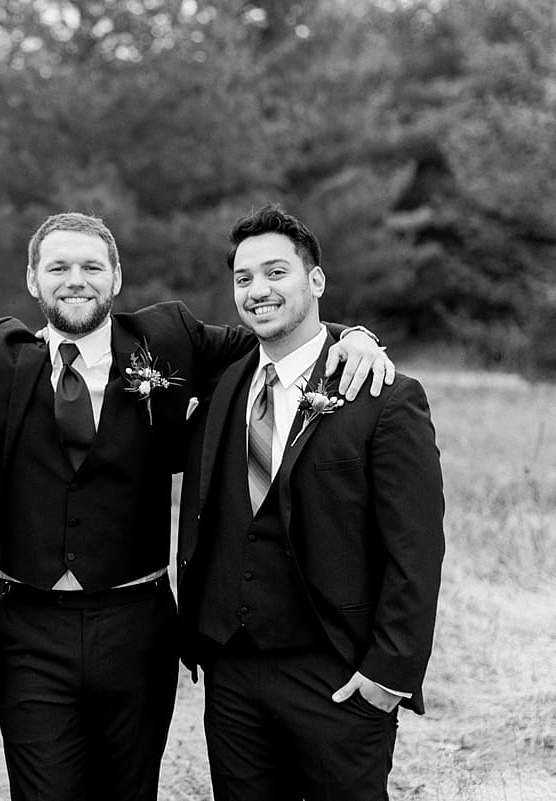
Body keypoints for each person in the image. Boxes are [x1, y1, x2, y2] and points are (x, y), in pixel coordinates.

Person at [0, 212, 391, 801]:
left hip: (137, 623)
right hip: (29, 630)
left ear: (116, 276)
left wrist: (351, 334)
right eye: (58, 267)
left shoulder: (169, 339)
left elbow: (275, 332)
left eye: (90, 266)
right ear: (33, 280)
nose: (74, 279)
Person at [176, 204, 444, 801]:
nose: (258, 291)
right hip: (233, 672)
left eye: (277, 273)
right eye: (244, 279)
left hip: (340, 675)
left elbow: (417, 549)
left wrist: (387, 675)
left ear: (315, 281)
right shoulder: (223, 384)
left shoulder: (384, 396)